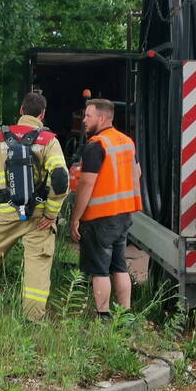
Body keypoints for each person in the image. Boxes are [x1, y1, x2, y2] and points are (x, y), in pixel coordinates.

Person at [0, 92, 69, 321]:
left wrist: (4, 192)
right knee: (37, 267)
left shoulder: (1, 138)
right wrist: (51, 213)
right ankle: (32, 319)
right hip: (39, 217)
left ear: (21, 111)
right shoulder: (48, 140)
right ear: (42, 114)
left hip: (5, 213)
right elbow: (61, 179)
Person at [69, 98, 142, 319]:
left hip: (99, 217)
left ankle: (103, 315)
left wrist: (75, 218)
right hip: (123, 215)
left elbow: (87, 183)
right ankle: (125, 316)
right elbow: (136, 174)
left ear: (102, 118)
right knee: (119, 266)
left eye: (88, 115)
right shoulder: (127, 142)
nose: (84, 120)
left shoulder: (96, 145)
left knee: (99, 269)